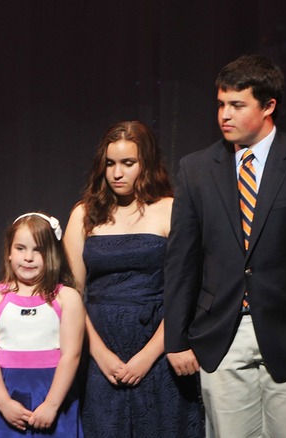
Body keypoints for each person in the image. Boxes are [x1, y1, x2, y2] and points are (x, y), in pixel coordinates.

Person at [164, 54, 286, 437]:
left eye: (237, 105)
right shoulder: (197, 169)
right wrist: (176, 339)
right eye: (221, 104)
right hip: (222, 333)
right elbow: (182, 260)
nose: (225, 114)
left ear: (269, 106)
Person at [63, 121, 203, 437]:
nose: (117, 173)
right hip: (99, 348)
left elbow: (185, 290)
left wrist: (150, 354)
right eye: (110, 163)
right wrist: (99, 354)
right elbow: (70, 295)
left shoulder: (170, 209)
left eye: (128, 163)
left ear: (147, 164)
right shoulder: (83, 215)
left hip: (161, 346)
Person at [0, 213, 85, 436]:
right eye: (20, 248)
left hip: (54, 399)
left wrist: (52, 405)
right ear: (9, 251)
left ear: (53, 254)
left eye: (38, 250)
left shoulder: (67, 298)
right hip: (8, 400)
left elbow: (71, 355)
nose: (28, 257)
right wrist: (4, 404)